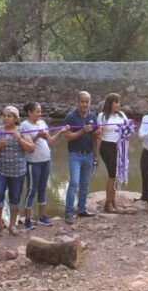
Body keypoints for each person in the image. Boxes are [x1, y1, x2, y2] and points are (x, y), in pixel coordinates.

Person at [0, 106, 35, 236]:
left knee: (15, 197)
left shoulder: (22, 131)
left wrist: (19, 139)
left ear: (15, 119)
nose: (5, 118)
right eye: (4, 116)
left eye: (9, 116)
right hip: (0, 170)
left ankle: (13, 225)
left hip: (18, 172)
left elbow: (31, 148)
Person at [21, 102, 67, 228]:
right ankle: (28, 219)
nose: (39, 114)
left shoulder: (42, 123)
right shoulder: (24, 125)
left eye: (40, 111)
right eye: (37, 111)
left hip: (46, 161)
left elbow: (50, 141)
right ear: (30, 112)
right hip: (33, 162)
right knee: (32, 190)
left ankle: (42, 217)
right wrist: (37, 136)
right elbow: (28, 145)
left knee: (42, 189)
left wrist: (60, 132)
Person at [63, 91, 99, 224]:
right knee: (74, 183)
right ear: (77, 102)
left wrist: (96, 155)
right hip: (75, 155)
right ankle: (68, 213)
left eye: (87, 101)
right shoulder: (70, 117)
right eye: (82, 101)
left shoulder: (93, 116)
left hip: (88, 155)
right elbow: (67, 137)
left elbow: (95, 137)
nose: (85, 104)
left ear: (90, 102)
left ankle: (82, 209)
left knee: (85, 183)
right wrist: (82, 131)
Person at [97, 93, 128, 213]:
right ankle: (108, 203)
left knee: (116, 175)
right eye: (116, 102)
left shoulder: (121, 114)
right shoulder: (102, 116)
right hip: (107, 146)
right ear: (110, 103)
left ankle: (112, 200)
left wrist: (128, 131)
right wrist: (98, 131)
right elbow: (99, 132)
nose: (118, 105)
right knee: (112, 174)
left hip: (120, 146)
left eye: (119, 102)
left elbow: (127, 127)